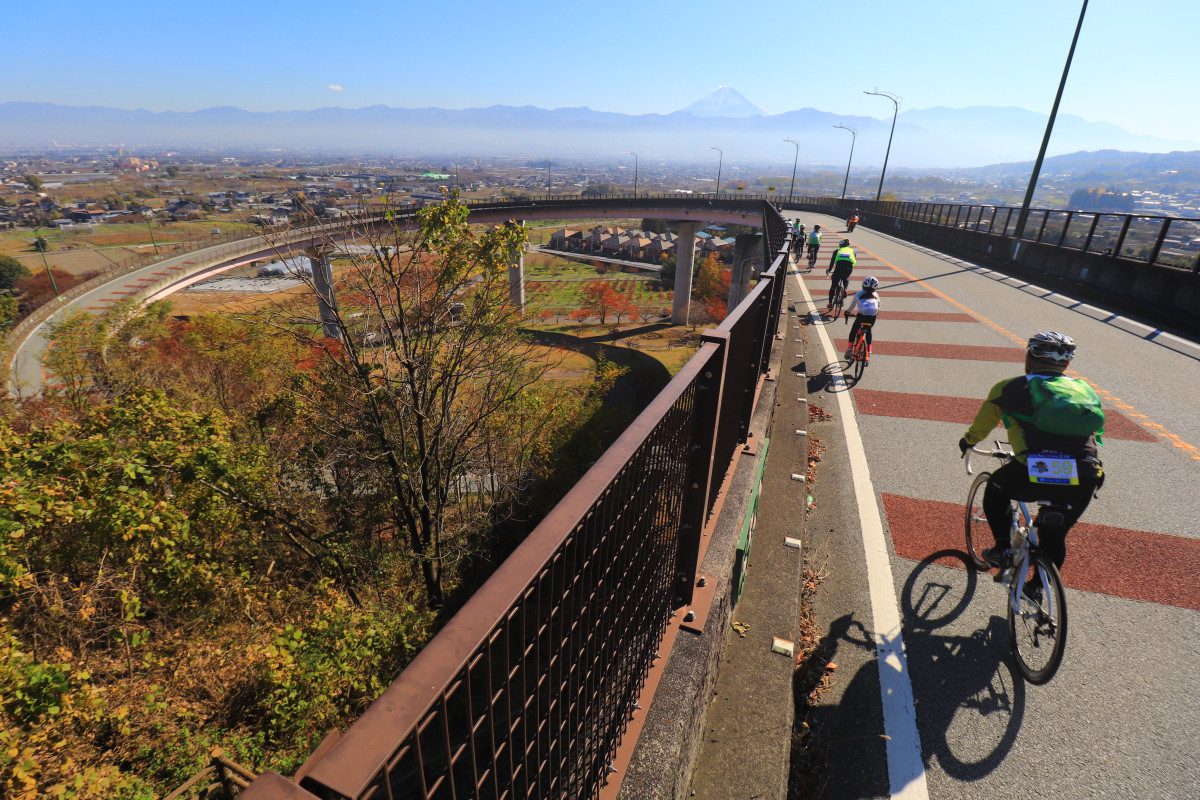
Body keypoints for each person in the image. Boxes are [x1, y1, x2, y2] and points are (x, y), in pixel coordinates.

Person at [958, 331, 1105, 585]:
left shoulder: (1010, 387)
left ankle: (1004, 547)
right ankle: (1038, 589)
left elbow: (982, 426)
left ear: (1029, 358)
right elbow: (1095, 432)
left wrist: (968, 441)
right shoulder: (1083, 389)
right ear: (1066, 365)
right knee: (1054, 536)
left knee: (995, 489)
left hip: (1033, 469)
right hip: (1086, 472)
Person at [843, 276, 880, 359]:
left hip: (861, 316)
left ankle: (850, 348)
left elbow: (852, 306)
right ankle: (869, 349)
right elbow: (878, 307)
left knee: (853, 331)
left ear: (863, 285)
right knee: (868, 330)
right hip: (872, 318)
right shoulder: (876, 295)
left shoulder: (858, 294)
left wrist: (847, 312)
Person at [825, 238, 856, 309]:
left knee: (833, 286)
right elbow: (853, 261)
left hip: (839, 267)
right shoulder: (853, 251)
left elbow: (832, 262)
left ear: (840, 245)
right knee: (846, 277)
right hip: (849, 268)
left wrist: (829, 270)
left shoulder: (837, 251)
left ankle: (830, 303)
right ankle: (845, 289)